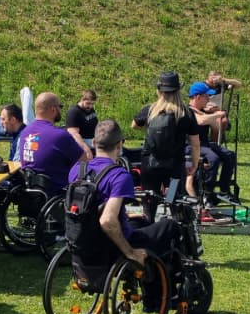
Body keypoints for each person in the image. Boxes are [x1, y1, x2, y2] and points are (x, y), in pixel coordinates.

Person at [70, 120, 181, 285]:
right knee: (170, 226)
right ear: (119, 145)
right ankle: (159, 291)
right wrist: (130, 252)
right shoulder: (119, 176)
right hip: (112, 246)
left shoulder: (77, 170)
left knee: (140, 220)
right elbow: (107, 220)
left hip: (83, 241)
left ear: (94, 142)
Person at [132, 72, 203, 219]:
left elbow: (134, 125)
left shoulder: (150, 110)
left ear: (159, 91)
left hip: (150, 164)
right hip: (174, 166)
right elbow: (195, 143)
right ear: (178, 90)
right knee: (173, 199)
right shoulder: (186, 113)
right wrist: (194, 163)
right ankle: (175, 223)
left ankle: (148, 224)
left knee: (149, 199)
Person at [18, 92, 87, 194]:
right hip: (57, 193)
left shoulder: (25, 132)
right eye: (60, 106)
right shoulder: (60, 135)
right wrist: (76, 136)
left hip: (31, 193)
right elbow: (84, 160)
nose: (61, 110)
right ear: (53, 109)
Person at [187, 81, 237, 204]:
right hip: (190, 145)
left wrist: (216, 113)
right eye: (207, 96)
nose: (209, 99)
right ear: (198, 97)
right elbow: (201, 121)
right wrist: (217, 114)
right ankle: (207, 192)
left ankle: (224, 189)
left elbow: (217, 128)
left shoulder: (205, 112)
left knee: (230, 155)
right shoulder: (188, 111)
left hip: (204, 144)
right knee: (213, 158)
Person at [64, 90, 100, 155]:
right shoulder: (74, 112)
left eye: (92, 104)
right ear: (82, 99)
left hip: (94, 138)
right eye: (88, 103)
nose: (90, 106)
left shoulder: (89, 109)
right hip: (84, 141)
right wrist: (86, 148)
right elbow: (74, 134)